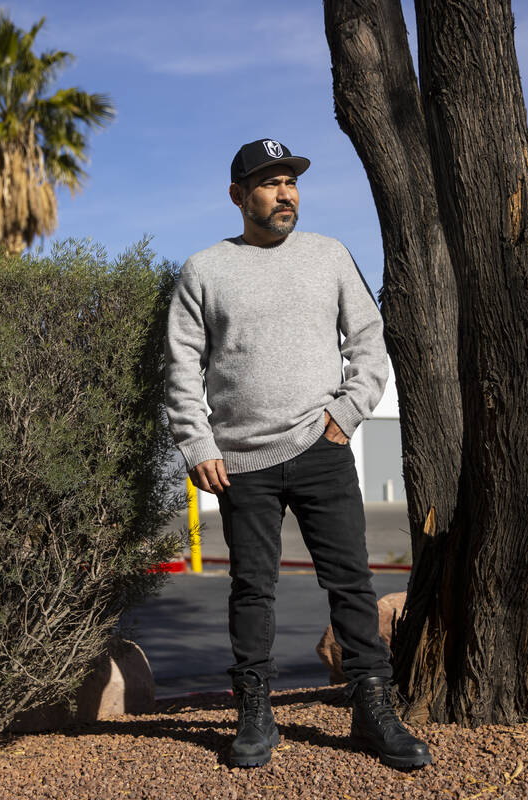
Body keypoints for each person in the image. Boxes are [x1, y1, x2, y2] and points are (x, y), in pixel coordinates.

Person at [163, 138, 432, 770]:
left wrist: (346, 413)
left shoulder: (328, 255)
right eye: (270, 183)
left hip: (321, 446)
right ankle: (255, 712)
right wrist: (197, 443)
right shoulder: (204, 269)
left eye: (291, 182)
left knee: (351, 583)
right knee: (251, 590)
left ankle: (372, 707)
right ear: (239, 195)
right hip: (240, 462)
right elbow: (181, 366)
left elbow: (368, 339)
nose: (285, 194)